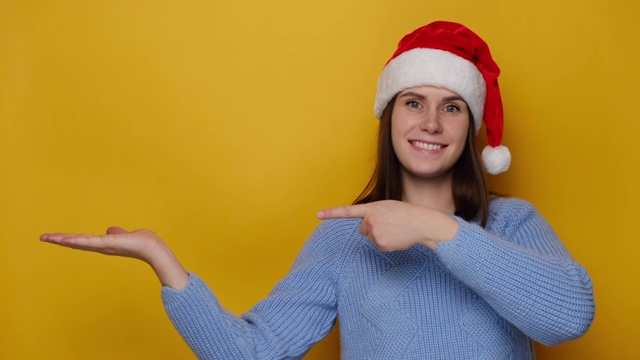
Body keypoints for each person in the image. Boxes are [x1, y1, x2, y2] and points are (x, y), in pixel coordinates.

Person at [41, 21, 595, 359]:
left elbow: (570, 318)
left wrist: (433, 229)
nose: (431, 121)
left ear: (469, 128)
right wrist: (163, 264)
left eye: (451, 107)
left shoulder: (511, 224)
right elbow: (256, 353)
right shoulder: (344, 240)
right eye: (413, 102)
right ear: (389, 118)